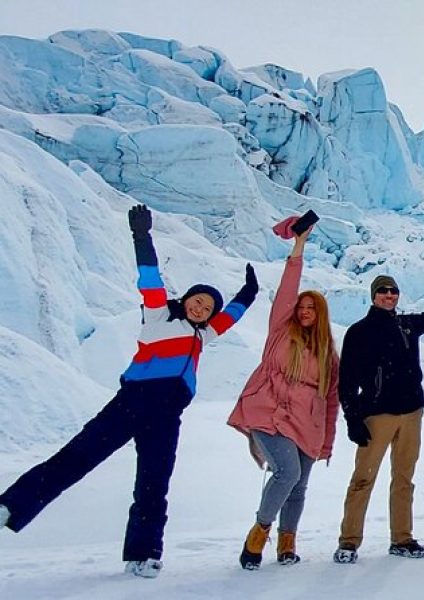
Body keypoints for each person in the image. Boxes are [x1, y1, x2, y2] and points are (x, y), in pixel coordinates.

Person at [0, 205, 258, 578]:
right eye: (197, 301)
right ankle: (11, 505)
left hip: (167, 415)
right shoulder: (158, 315)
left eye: (207, 307)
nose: (201, 308)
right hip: (131, 403)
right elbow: (149, 278)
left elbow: (231, 313)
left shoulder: (204, 334)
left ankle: (144, 553)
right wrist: (142, 237)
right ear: (185, 300)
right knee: (76, 458)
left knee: (154, 482)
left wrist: (248, 292)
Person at [332, 260, 424, 564]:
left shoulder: (406, 325)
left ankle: (402, 538)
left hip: (412, 412)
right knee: (363, 478)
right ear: (374, 296)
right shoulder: (358, 332)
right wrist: (352, 419)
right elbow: (346, 379)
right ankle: (349, 541)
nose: (390, 295)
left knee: (404, 478)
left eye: (394, 291)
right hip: (376, 415)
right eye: (384, 291)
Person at [227, 223, 339, 570]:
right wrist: (298, 248)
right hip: (268, 411)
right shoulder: (280, 331)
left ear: (319, 314)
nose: (304, 311)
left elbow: (331, 402)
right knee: (286, 473)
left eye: (311, 308)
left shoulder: (328, 355)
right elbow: (287, 291)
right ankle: (259, 533)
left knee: (299, 486)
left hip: (308, 422)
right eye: (302, 307)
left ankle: (287, 542)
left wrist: (327, 442)